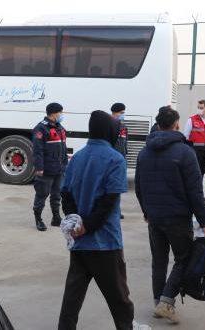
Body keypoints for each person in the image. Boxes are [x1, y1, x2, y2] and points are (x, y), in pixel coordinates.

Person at [58, 110, 134, 330]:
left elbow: (66, 194)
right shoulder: (115, 159)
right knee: (120, 300)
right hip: (105, 243)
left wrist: (76, 223)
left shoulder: (78, 157)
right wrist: (88, 226)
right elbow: (108, 202)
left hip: (79, 244)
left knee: (72, 299)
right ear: (110, 131)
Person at [136, 108, 205, 323]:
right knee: (184, 258)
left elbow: (139, 188)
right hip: (178, 218)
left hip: (155, 218)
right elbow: (195, 192)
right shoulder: (185, 153)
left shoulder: (144, 152)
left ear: (159, 125)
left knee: (158, 261)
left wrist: (146, 212)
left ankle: (158, 301)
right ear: (177, 125)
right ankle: (166, 302)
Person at [32, 102, 68, 231]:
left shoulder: (60, 128)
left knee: (56, 194)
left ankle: (56, 217)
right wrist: (39, 168)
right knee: (42, 194)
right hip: (46, 169)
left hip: (59, 169)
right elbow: (37, 150)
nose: (62, 114)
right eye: (60, 112)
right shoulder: (41, 129)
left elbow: (63, 148)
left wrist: (65, 165)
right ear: (53, 113)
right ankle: (38, 219)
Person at [182, 99, 205, 175]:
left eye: (201, 108)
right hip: (195, 150)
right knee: (194, 172)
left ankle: (199, 186)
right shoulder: (191, 120)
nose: (199, 110)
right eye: (198, 108)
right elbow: (185, 136)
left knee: (202, 172)